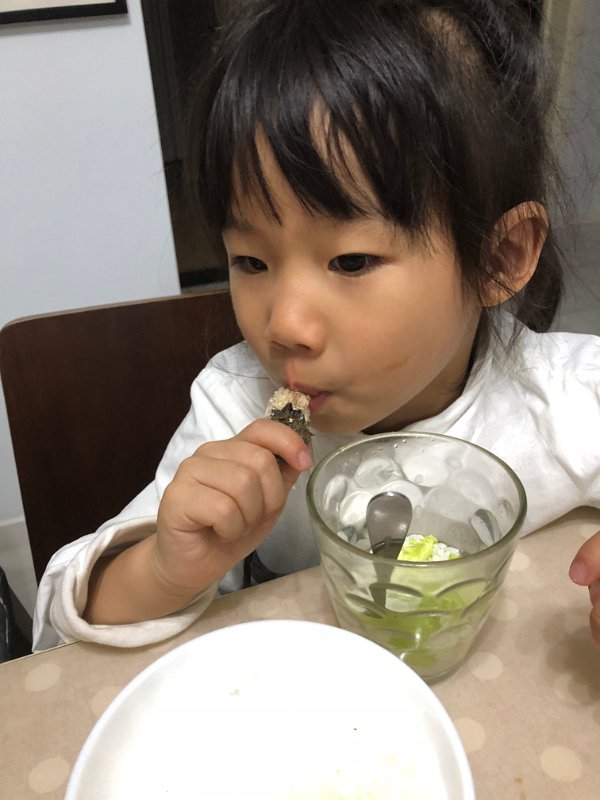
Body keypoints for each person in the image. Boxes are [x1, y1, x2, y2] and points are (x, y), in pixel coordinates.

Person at [33, 0, 600, 651]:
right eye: (251, 261)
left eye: (350, 261)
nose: (284, 325)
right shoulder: (235, 405)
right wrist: (164, 569)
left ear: (498, 259)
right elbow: (60, 622)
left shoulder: (570, 400)